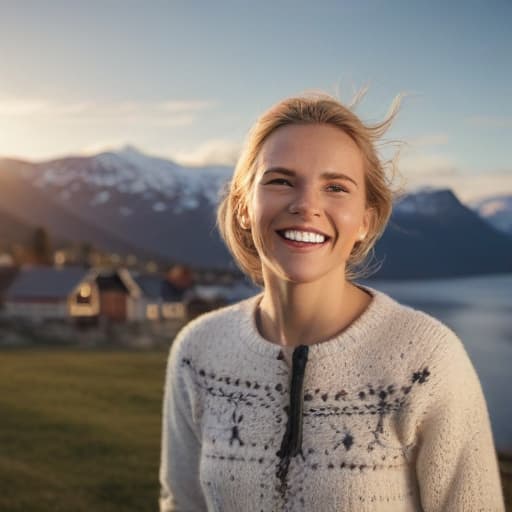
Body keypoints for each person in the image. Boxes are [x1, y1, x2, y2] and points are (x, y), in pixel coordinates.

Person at [159, 92, 505, 511]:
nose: (306, 205)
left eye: (336, 187)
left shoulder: (427, 361)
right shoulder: (198, 352)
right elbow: (182, 503)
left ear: (365, 220)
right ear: (243, 206)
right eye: (281, 180)